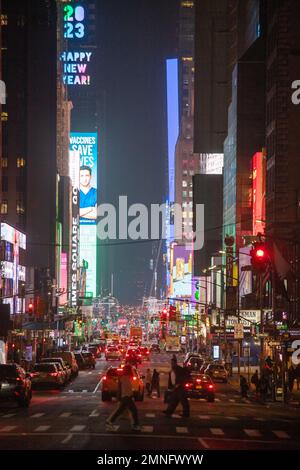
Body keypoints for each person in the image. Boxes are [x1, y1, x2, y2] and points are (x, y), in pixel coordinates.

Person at [106, 364, 141, 432]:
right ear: (128, 371)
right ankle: (135, 425)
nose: (131, 371)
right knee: (134, 410)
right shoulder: (124, 378)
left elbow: (124, 388)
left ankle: (109, 422)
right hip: (126, 397)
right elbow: (124, 389)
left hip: (126, 397)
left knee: (119, 411)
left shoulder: (125, 377)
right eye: (130, 370)